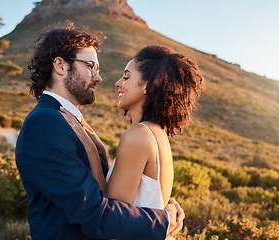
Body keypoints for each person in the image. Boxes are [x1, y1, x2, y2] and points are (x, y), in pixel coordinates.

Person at [15, 21, 184, 240]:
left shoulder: (70, 121)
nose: (99, 77)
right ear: (60, 65)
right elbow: (94, 213)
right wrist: (163, 220)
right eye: (90, 66)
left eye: (98, 69)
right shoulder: (44, 125)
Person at [62, 45, 204, 239]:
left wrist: (90, 150)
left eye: (127, 77)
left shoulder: (137, 135)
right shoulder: (157, 134)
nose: (118, 83)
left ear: (148, 85)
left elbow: (111, 216)